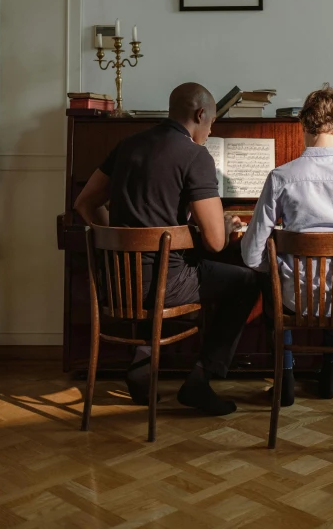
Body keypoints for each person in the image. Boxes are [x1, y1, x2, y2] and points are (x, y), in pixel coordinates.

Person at [74, 82, 260, 416]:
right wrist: (221, 224)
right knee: (246, 282)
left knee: (168, 266)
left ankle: (142, 366)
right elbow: (216, 243)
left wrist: (115, 241)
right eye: (211, 124)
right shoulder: (194, 155)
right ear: (200, 114)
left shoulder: (127, 145)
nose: (210, 131)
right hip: (165, 286)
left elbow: (84, 202)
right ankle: (200, 381)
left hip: (118, 284)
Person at [241, 84, 333, 405]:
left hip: (295, 300)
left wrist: (271, 266)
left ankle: (285, 378)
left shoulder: (282, 176)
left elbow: (250, 254)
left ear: (305, 123)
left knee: (270, 280)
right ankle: (329, 373)